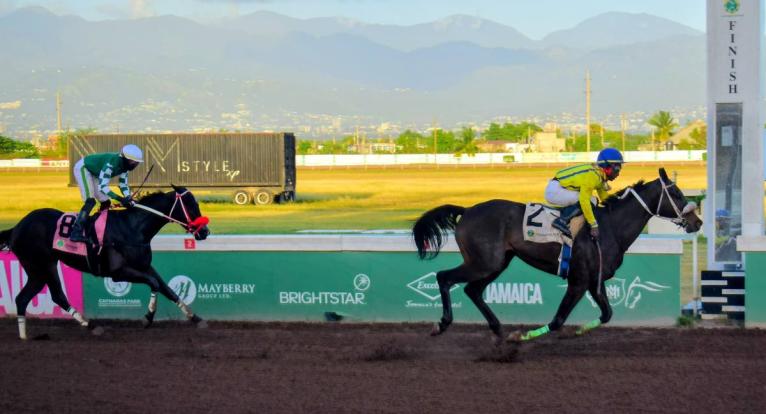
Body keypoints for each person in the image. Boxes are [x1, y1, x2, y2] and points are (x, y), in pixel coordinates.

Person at [544, 147, 624, 240]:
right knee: (590, 200)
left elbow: (605, 198)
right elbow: (584, 200)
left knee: (593, 200)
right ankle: (561, 221)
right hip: (555, 191)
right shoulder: (593, 176)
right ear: (606, 167)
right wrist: (593, 224)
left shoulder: (599, 174)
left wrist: (619, 206)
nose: (618, 173)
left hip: (559, 188)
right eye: (617, 168)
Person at [69, 144, 144, 242]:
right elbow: (103, 187)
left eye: (137, 162)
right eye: (134, 162)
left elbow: (123, 185)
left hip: (95, 173)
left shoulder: (125, 167)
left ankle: (99, 228)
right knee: (90, 201)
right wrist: (120, 199)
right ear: (126, 159)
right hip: (84, 168)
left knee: (106, 202)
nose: (135, 164)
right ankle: (76, 232)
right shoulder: (111, 164)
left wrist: (129, 198)